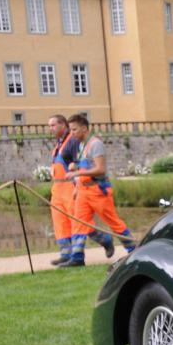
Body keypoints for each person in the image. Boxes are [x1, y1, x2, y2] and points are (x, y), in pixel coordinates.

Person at [62, 114, 135, 267]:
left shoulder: (96, 144)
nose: (72, 133)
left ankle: (134, 250)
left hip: (98, 191)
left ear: (84, 128)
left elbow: (100, 169)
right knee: (78, 222)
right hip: (83, 191)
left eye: (74, 129)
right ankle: (77, 258)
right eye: (71, 130)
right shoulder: (81, 145)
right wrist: (76, 172)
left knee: (113, 222)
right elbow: (86, 165)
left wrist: (77, 172)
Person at [47, 114, 112, 266]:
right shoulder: (59, 144)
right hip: (57, 188)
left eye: (53, 125)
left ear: (63, 125)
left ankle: (101, 240)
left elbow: (79, 164)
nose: (51, 128)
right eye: (49, 126)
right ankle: (66, 253)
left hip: (69, 186)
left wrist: (77, 185)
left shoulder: (73, 141)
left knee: (79, 220)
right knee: (60, 221)